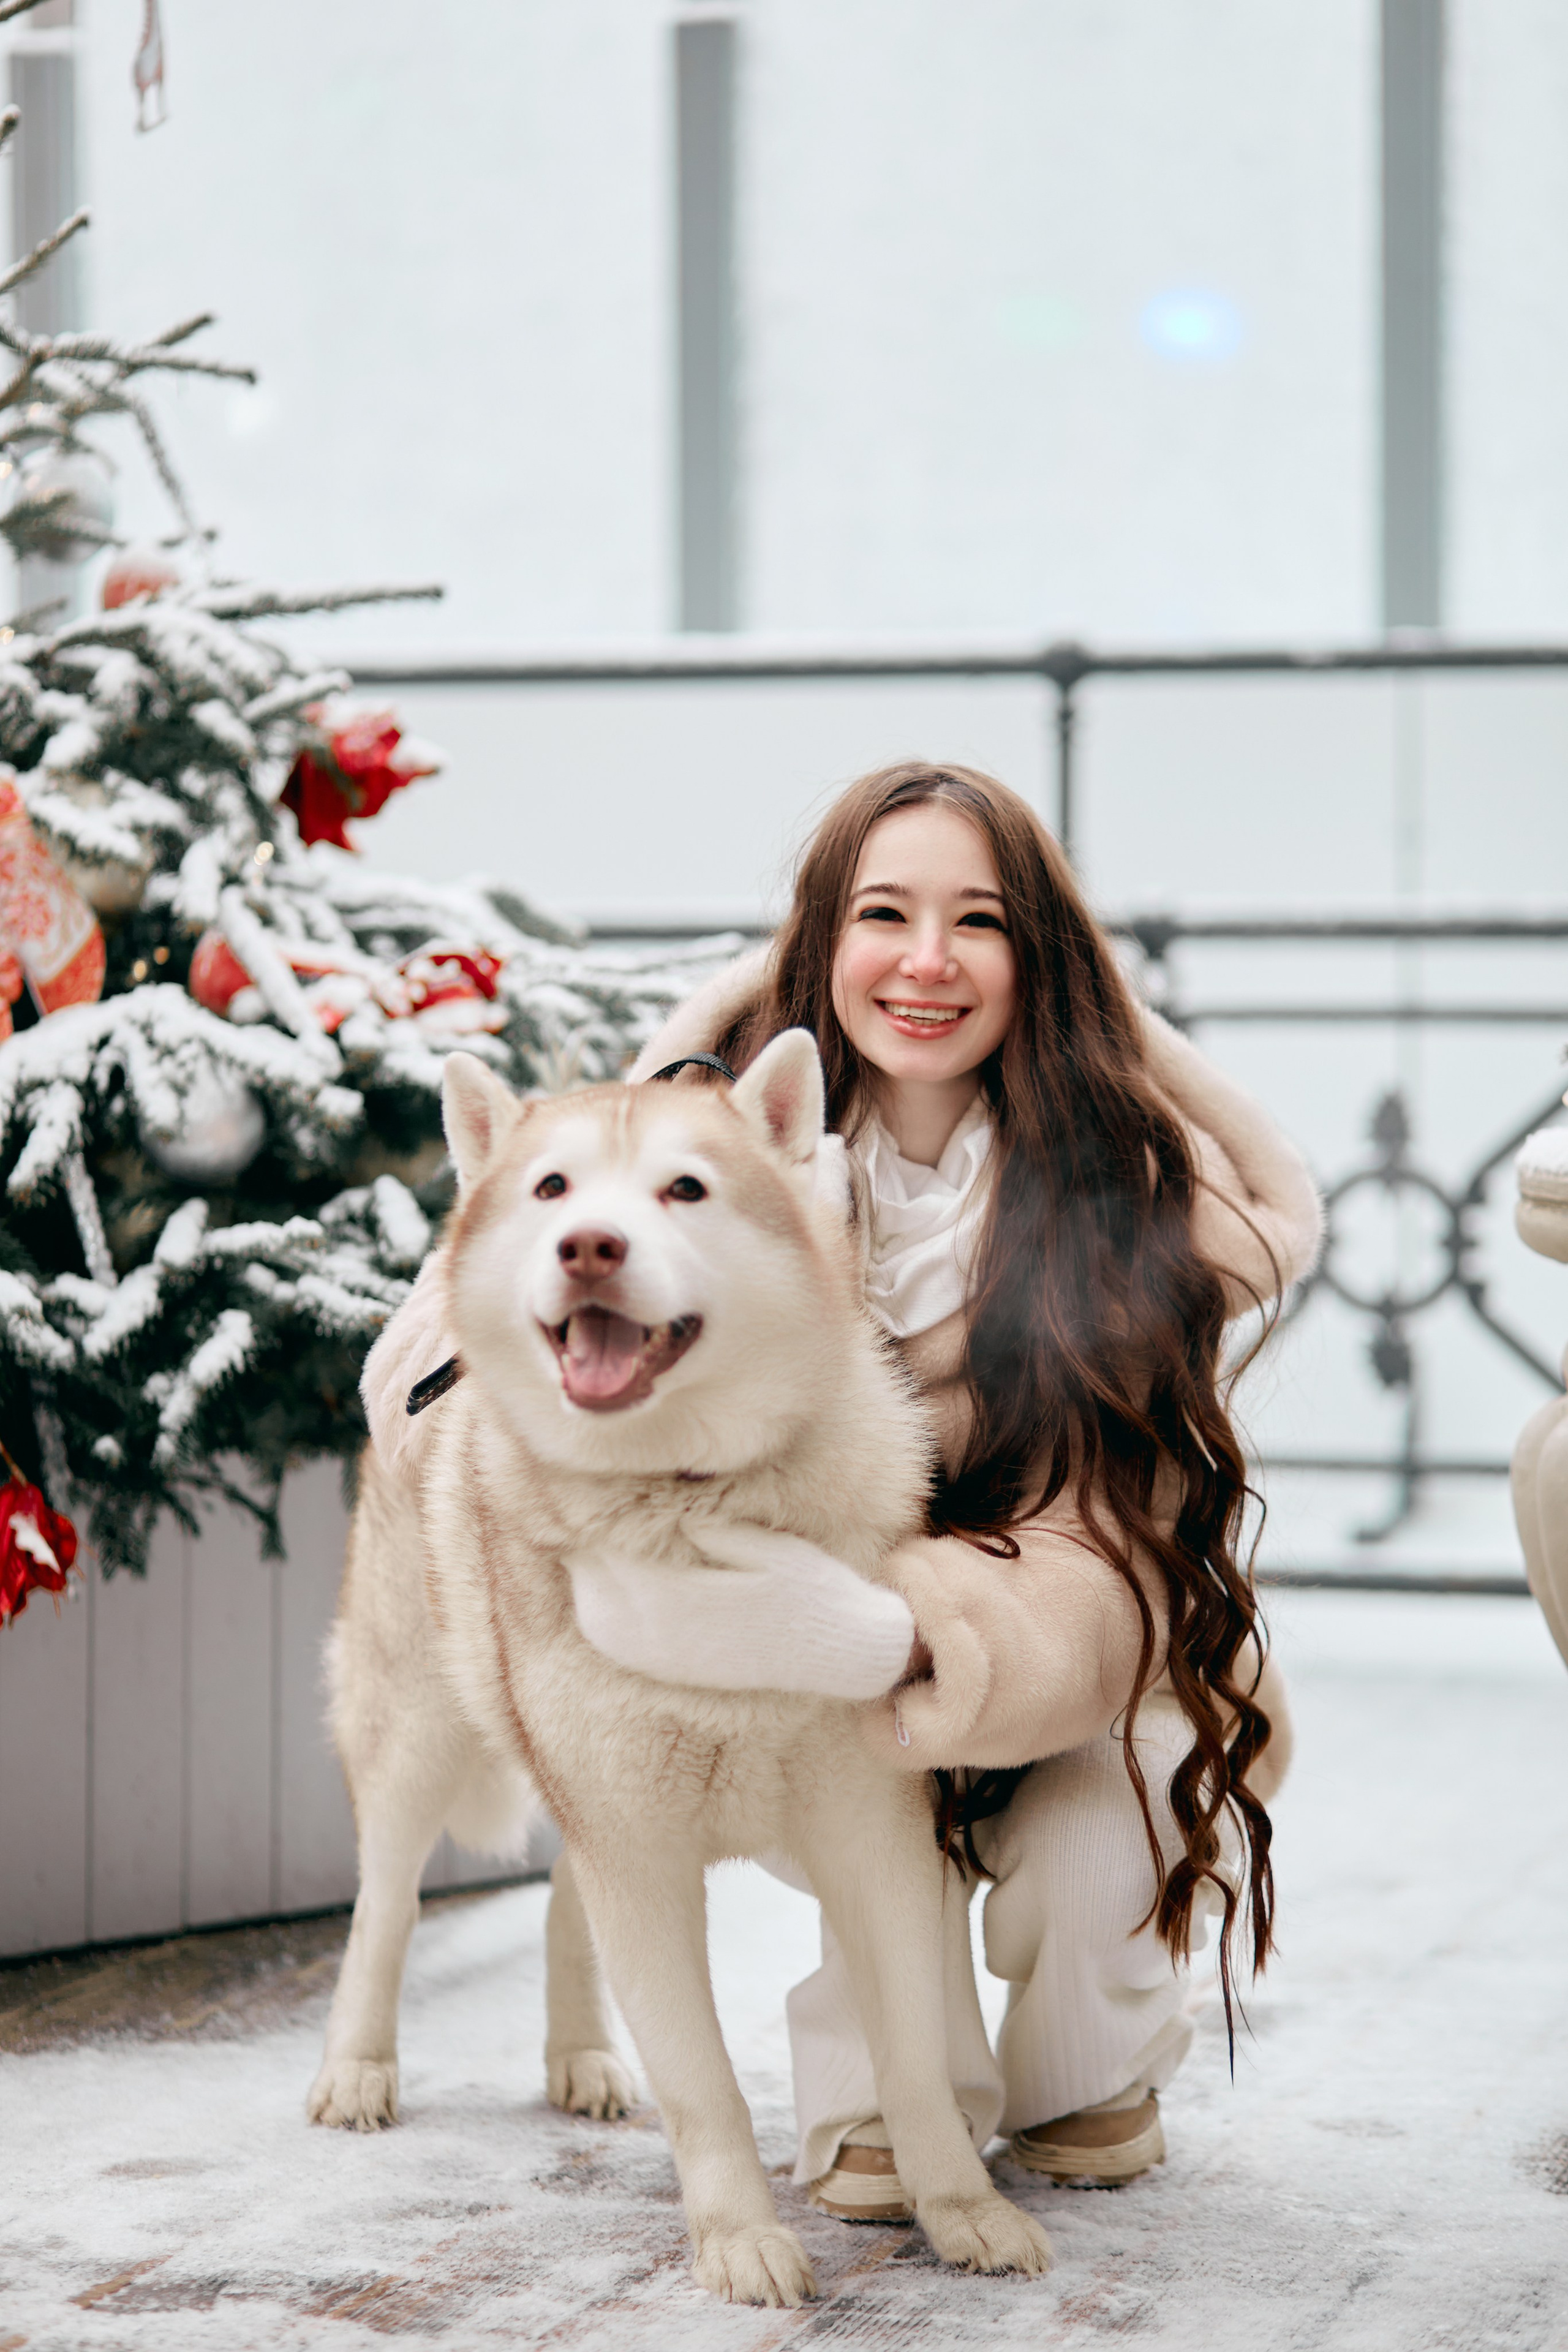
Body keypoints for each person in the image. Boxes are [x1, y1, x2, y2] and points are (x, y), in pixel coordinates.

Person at [570, 760, 1321, 2220]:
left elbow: (1125, 1543)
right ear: (818, 946)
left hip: (1087, 1660)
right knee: (871, 1812)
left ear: (1036, 962)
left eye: (977, 920)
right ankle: (871, 2075)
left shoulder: (1121, 1190)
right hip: (835, 1701)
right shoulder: (723, 1200)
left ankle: (1090, 2060)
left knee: (1094, 1840)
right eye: (882, 914)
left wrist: (939, 1633)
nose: (925, 962)